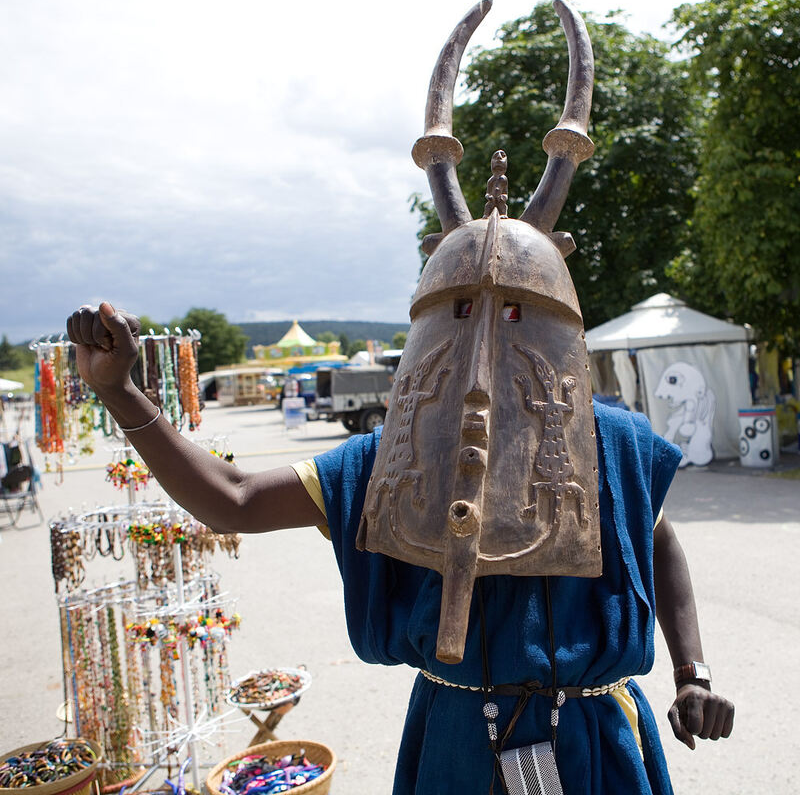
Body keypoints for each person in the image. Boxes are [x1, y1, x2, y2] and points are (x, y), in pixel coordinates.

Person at [67, 302, 734, 794]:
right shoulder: (394, 456)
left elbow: (660, 538)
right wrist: (118, 391)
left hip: (599, 746)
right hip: (457, 747)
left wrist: (691, 672)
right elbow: (233, 497)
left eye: (514, 311)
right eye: (466, 312)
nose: (489, 336)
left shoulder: (611, 440)